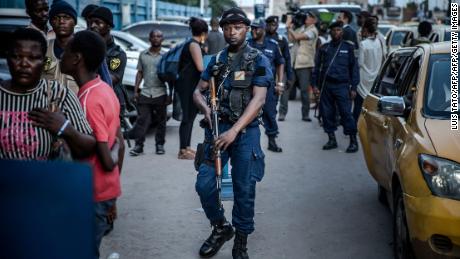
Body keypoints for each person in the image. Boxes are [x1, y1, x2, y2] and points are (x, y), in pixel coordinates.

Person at [192, 7, 271, 259]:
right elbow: (197, 91)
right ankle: (221, 227)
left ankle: (241, 241)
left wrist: (235, 131)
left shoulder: (258, 60)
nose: (231, 32)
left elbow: (258, 100)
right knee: (205, 184)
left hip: (245, 133)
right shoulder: (216, 60)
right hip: (217, 128)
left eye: (237, 27)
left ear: (247, 29)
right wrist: (205, 109)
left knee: (244, 187)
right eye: (227, 27)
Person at [60, 30, 124, 258]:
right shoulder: (104, 89)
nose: (61, 56)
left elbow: (106, 160)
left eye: (66, 51)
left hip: (94, 191)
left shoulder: (88, 100)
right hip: (106, 189)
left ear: (77, 58)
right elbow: (116, 140)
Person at [0, 28, 95, 160]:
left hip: (44, 179)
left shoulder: (59, 94)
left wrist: (65, 128)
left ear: (44, 62)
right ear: (7, 58)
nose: (24, 64)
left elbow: (89, 147)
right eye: (16, 57)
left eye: (33, 58)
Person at [312, 21, 359, 153]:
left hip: (343, 86)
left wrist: (354, 87)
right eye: (334, 30)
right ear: (330, 32)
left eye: (339, 30)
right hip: (326, 85)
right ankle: (331, 139)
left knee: (346, 113)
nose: (336, 32)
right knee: (327, 114)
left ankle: (353, 141)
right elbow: (317, 67)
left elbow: (354, 69)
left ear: (342, 32)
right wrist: (315, 85)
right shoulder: (324, 48)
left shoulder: (348, 48)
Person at [129, 30, 169, 156]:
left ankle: (159, 145)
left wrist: (171, 94)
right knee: (142, 121)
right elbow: (139, 73)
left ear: (162, 39)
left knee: (161, 121)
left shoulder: (166, 56)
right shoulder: (143, 55)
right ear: (149, 39)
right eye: (154, 36)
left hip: (161, 92)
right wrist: (136, 90)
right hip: (146, 92)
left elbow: (171, 76)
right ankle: (139, 146)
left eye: (159, 36)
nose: (156, 38)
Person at [248, 18, 284, 152]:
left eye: (256, 28)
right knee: (248, 113)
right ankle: (248, 144)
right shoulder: (247, 45)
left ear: (263, 30)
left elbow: (280, 63)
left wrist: (280, 83)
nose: (253, 30)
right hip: (250, 86)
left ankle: (272, 140)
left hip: (268, 87)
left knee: (269, 114)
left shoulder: (273, 45)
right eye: (252, 28)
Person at [176, 17, 208, 160]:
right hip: (187, 85)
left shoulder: (195, 44)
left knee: (191, 117)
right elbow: (201, 67)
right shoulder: (194, 45)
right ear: (203, 32)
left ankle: (187, 147)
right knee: (187, 117)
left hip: (191, 85)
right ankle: (182, 150)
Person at [88, 7, 128, 116]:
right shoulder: (85, 46)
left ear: (108, 26)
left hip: (111, 102)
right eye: (91, 23)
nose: (92, 26)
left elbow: (111, 79)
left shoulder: (118, 54)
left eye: (97, 23)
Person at [41, 0, 79, 94]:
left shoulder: (84, 50)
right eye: (56, 18)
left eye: (66, 17)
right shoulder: (43, 48)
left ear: (74, 22)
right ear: (51, 22)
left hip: (76, 107)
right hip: (46, 106)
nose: (61, 21)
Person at [287, 11, 318, 122]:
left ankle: (305, 115)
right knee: (287, 88)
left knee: (304, 90)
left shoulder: (313, 31)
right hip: (294, 62)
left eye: (310, 17)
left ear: (314, 20)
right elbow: (291, 39)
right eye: (307, 15)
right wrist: (289, 28)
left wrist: (289, 28)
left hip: (305, 64)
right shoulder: (301, 28)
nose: (307, 17)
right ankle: (281, 113)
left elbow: (297, 37)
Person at [353, 19, 384, 122]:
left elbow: (360, 63)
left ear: (365, 30)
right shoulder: (379, 42)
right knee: (372, 105)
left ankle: (355, 127)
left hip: (363, 79)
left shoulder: (363, 44)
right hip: (375, 77)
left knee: (359, 104)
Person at [265, 15, 294, 122]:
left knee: (280, 94)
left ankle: (280, 113)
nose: (274, 27)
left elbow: (287, 59)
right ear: (267, 25)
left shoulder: (282, 40)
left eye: (275, 25)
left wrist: (290, 76)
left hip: (280, 72)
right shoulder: (262, 39)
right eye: (272, 25)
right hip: (266, 72)